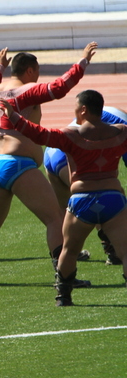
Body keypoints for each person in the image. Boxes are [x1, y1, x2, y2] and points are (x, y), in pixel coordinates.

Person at [0, 43, 97, 287]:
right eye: (37, 71)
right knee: (54, 218)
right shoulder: (26, 91)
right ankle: (65, 277)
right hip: (18, 163)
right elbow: (60, 87)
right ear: (30, 71)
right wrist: (83, 61)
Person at [0, 90, 127, 306]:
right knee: (125, 252)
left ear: (83, 110)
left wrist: (12, 115)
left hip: (81, 200)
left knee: (69, 250)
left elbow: (37, 133)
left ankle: (63, 297)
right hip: (113, 199)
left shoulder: (70, 135)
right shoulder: (121, 132)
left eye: (75, 107)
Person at [43, 105, 127, 265]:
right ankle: (112, 249)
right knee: (103, 195)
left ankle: (61, 258)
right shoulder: (122, 125)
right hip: (70, 155)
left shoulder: (105, 112)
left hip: (51, 153)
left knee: (64, 211)